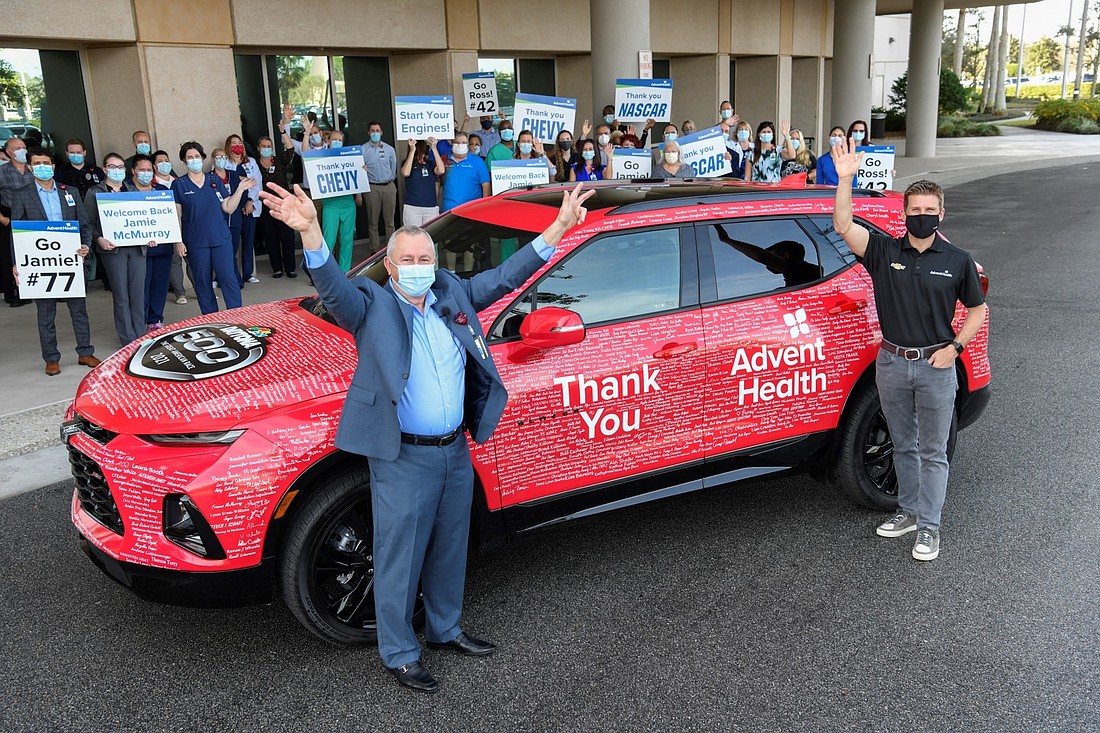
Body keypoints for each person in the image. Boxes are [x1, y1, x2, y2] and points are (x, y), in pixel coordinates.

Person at [259, 178, 596, 693]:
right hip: (403, 458)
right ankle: (399, 652)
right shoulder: (371, 304)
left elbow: (506, 278)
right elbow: (333, 288)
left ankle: (445, 629)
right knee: (400, 555)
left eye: (426, 257)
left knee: (450, 546)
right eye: (408, 259)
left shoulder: (450, 292)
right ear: (391, 266)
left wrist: (557, 228)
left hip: (455, 450)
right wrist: (311, 233)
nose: (419, 266)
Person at [831, 138, 987, 562]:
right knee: (903, 445)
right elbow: (844, 225)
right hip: (891, 362)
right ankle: (909, 512)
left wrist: (954, 349)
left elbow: (977, 310)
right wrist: (845, 179)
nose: (922, 217)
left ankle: (930, 528)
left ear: (941, 213)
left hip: (936, 364)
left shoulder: (957, 259)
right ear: (904, 214)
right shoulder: (884, 251)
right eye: (914, 211)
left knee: (934, 451)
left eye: (928, 211)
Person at [9, 147, 101, 375]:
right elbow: (16, 232)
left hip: (70, 260)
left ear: (53, 166)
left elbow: (84, 224)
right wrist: (16, 262)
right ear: (30, 167)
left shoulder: (68, 191)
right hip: (40, 263)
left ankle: (85, 352)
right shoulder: (22, 194)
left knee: (79, 310)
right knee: (46, 313)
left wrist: (86, 245)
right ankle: (51, 358)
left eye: (46, 163)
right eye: (37, 163)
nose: (42, 167)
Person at [171, 141, 254, 314]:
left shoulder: (214, 180)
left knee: (228, 279)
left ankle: (237, 317)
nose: (194, 160)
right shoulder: (179, 184)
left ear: (202, 158)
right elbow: (176, 216)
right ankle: (211, 318)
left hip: (220, 238)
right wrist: (178, 241)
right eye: (189, 157)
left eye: (196, 156)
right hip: (196, 242)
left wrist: (239, 190)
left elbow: (228, 207)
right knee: (202, 282)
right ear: (184, 161)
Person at [84, 152, 151, 345]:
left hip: (137, 248)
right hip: (113, 250)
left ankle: (140, 335)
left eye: (120, 167)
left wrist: (151, 236)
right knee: (121, 295)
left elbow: (144, 219)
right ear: (104, 169)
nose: (117, 170)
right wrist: (98, 240)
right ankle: (128, 339)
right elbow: (89, 222)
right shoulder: (95, 192)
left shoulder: (133, 190)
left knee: (138, 293)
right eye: (112, 167)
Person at [255, 135, 298, 278]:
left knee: (287, 237)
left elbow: (291, 150)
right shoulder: (254, 165)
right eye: (263, 146)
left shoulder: (278, 161)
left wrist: (283, 131)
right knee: (270, 237)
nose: (266, 149)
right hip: (265, 206)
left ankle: (290, 268)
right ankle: (277, 268)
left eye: (269, 146)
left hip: (283, 205)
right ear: (258, 148)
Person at [225, 133, 262, 285]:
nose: (237, 145)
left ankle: (248, 273)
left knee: (248, 241)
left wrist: (250, 200)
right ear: (228, 146)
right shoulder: (224, 162)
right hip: (232, 207)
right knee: (231, 244)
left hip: (249, 206)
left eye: (239, 142)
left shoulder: (251, 162)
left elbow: (257, 183)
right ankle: (228, 274)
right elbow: (226, 184)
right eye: (233, 143)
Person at [0, 136, 33, 307]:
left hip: (33, 215)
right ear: (9, 152)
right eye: (17, 147)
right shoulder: (2, 171)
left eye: (23, 146)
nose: (22, 150)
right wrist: (3, 219)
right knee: (10, 257)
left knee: (34, 254)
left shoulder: (33, 168)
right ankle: (14, 294)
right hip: (10, 215)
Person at [361, 121, 398, 253]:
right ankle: (375, 251)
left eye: (377, 130)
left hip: (388, 186)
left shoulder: (389, 149)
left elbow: (393, 168)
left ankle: (391, 250)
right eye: (372, 130)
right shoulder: (363, 149)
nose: (375, 133)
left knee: (390, 221)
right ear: (368, 133)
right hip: (372, 188)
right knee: (373, 221)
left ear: (381, 132)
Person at [401, 137, 445, 230]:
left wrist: (434, 148)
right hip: (412, 207)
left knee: (431, 237)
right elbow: (405, 172)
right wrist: (412, 151)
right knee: (413, 236)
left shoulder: (430, 164)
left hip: (431, 207)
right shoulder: (408, 163)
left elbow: (441, 170)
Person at [441, 132, 490, 213]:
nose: (460, 145)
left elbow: (486, 185)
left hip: (472, 209)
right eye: (457, 142)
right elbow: (437, 181)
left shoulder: (478, 161)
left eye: (463, 143)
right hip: (449, 209)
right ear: (451, 143)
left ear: (467, 144)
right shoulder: (444, 160)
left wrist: (484, 207)